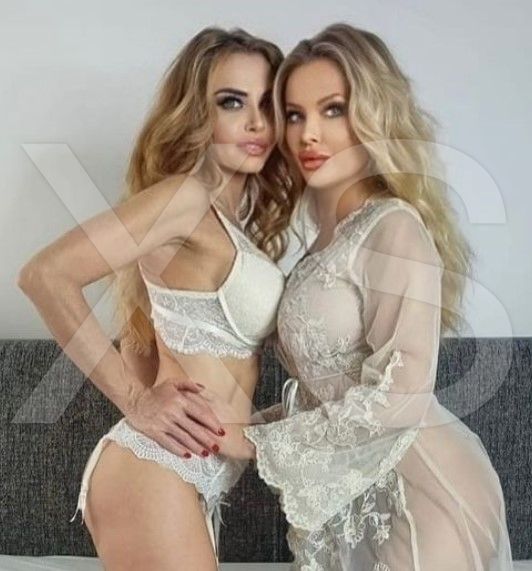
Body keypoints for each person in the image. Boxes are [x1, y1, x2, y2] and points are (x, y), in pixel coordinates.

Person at [237, 23, 515, 570]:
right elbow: (323, 393)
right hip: (353, 502)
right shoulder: (326, 241)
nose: (308, 134)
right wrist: (242, 427)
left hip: (425, 495)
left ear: (373, 115)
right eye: (294, 114)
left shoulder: (392, 226)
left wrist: (254, 443)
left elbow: (403, 394)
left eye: (333, 110)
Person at [17, 26, 293, 570]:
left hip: (191, 475)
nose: (257, 122)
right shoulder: (186, 198)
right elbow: (45, 275)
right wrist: (136, 402)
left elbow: (146, 338)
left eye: (268, 103)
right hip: (153, 471)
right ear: (197, 112)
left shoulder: (229, 219)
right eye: (232, 102)